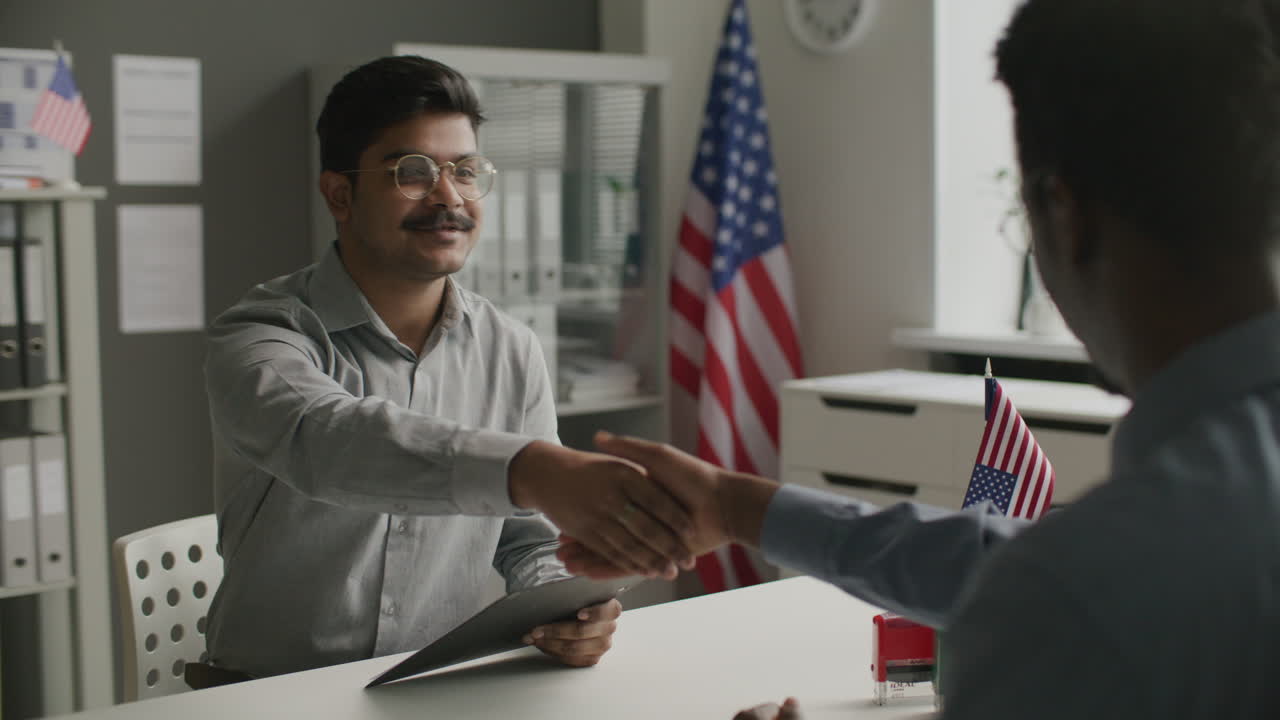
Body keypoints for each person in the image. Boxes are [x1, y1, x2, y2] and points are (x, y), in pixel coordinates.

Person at [563, 0, 1280, 717]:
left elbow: (1065, 585)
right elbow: (1027, 563)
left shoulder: (1074, 601)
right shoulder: (1142, 555)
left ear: (1065, 215)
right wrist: (737, 503)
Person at [202, 55, 697, 679]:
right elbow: (325, 438)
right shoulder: (260, 334)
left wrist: (563, 611)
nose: (448, 197)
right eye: (413, 171)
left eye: (465, 171)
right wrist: (531, 469)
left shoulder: (511, 349)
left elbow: (531, 536)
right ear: (340, 193)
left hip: (440, 687)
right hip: (270, 697)